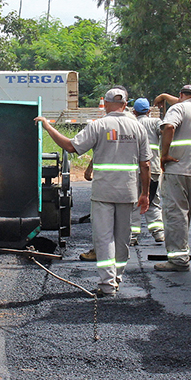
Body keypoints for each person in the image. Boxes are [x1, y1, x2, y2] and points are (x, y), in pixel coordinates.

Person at [37, 88, 150, 296]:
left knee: (104, 237)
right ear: (125, 105)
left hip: (103, 192)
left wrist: (47, 126)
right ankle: (118, 276)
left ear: (105, 104)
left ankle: (107, 284)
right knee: (123, 237)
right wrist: (145, 194)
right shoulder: (138, 128)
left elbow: (71, 147)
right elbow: (146, 164)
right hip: (128, 191)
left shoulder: (99, 126)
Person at [154, 85, 191, 272]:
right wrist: (163, 95)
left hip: (176, 167)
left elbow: (169, 126)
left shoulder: (178, 108)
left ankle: (178, 260)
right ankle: (182, 252)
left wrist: (164, 154)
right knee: (184, 213)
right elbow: (183, 104)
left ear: (181, 96)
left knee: (174, 213)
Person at [129, 98, 164, 245]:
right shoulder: (155, 122)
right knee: (153, 200)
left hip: (135, 171)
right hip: (153, 169)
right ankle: (158, 233)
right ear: (149, 111)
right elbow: (166, 130)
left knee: (135, 202)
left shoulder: (131, 124)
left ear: (134, 112)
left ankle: (132, 236)